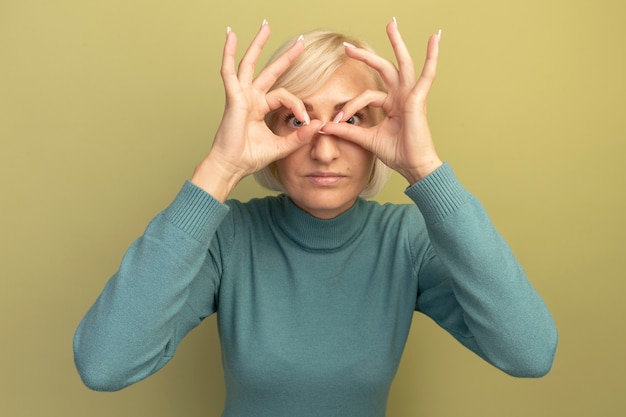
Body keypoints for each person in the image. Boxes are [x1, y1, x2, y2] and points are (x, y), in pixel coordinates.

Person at [74, 18, 558, 417]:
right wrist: (219, 171)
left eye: (350, 120)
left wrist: (424, 168)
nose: (324, 151)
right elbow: (105, 364)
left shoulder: (406, 240)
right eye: (296, 119)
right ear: (269, 133)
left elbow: (529, 354)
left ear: (382, 132)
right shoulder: (230, 238)